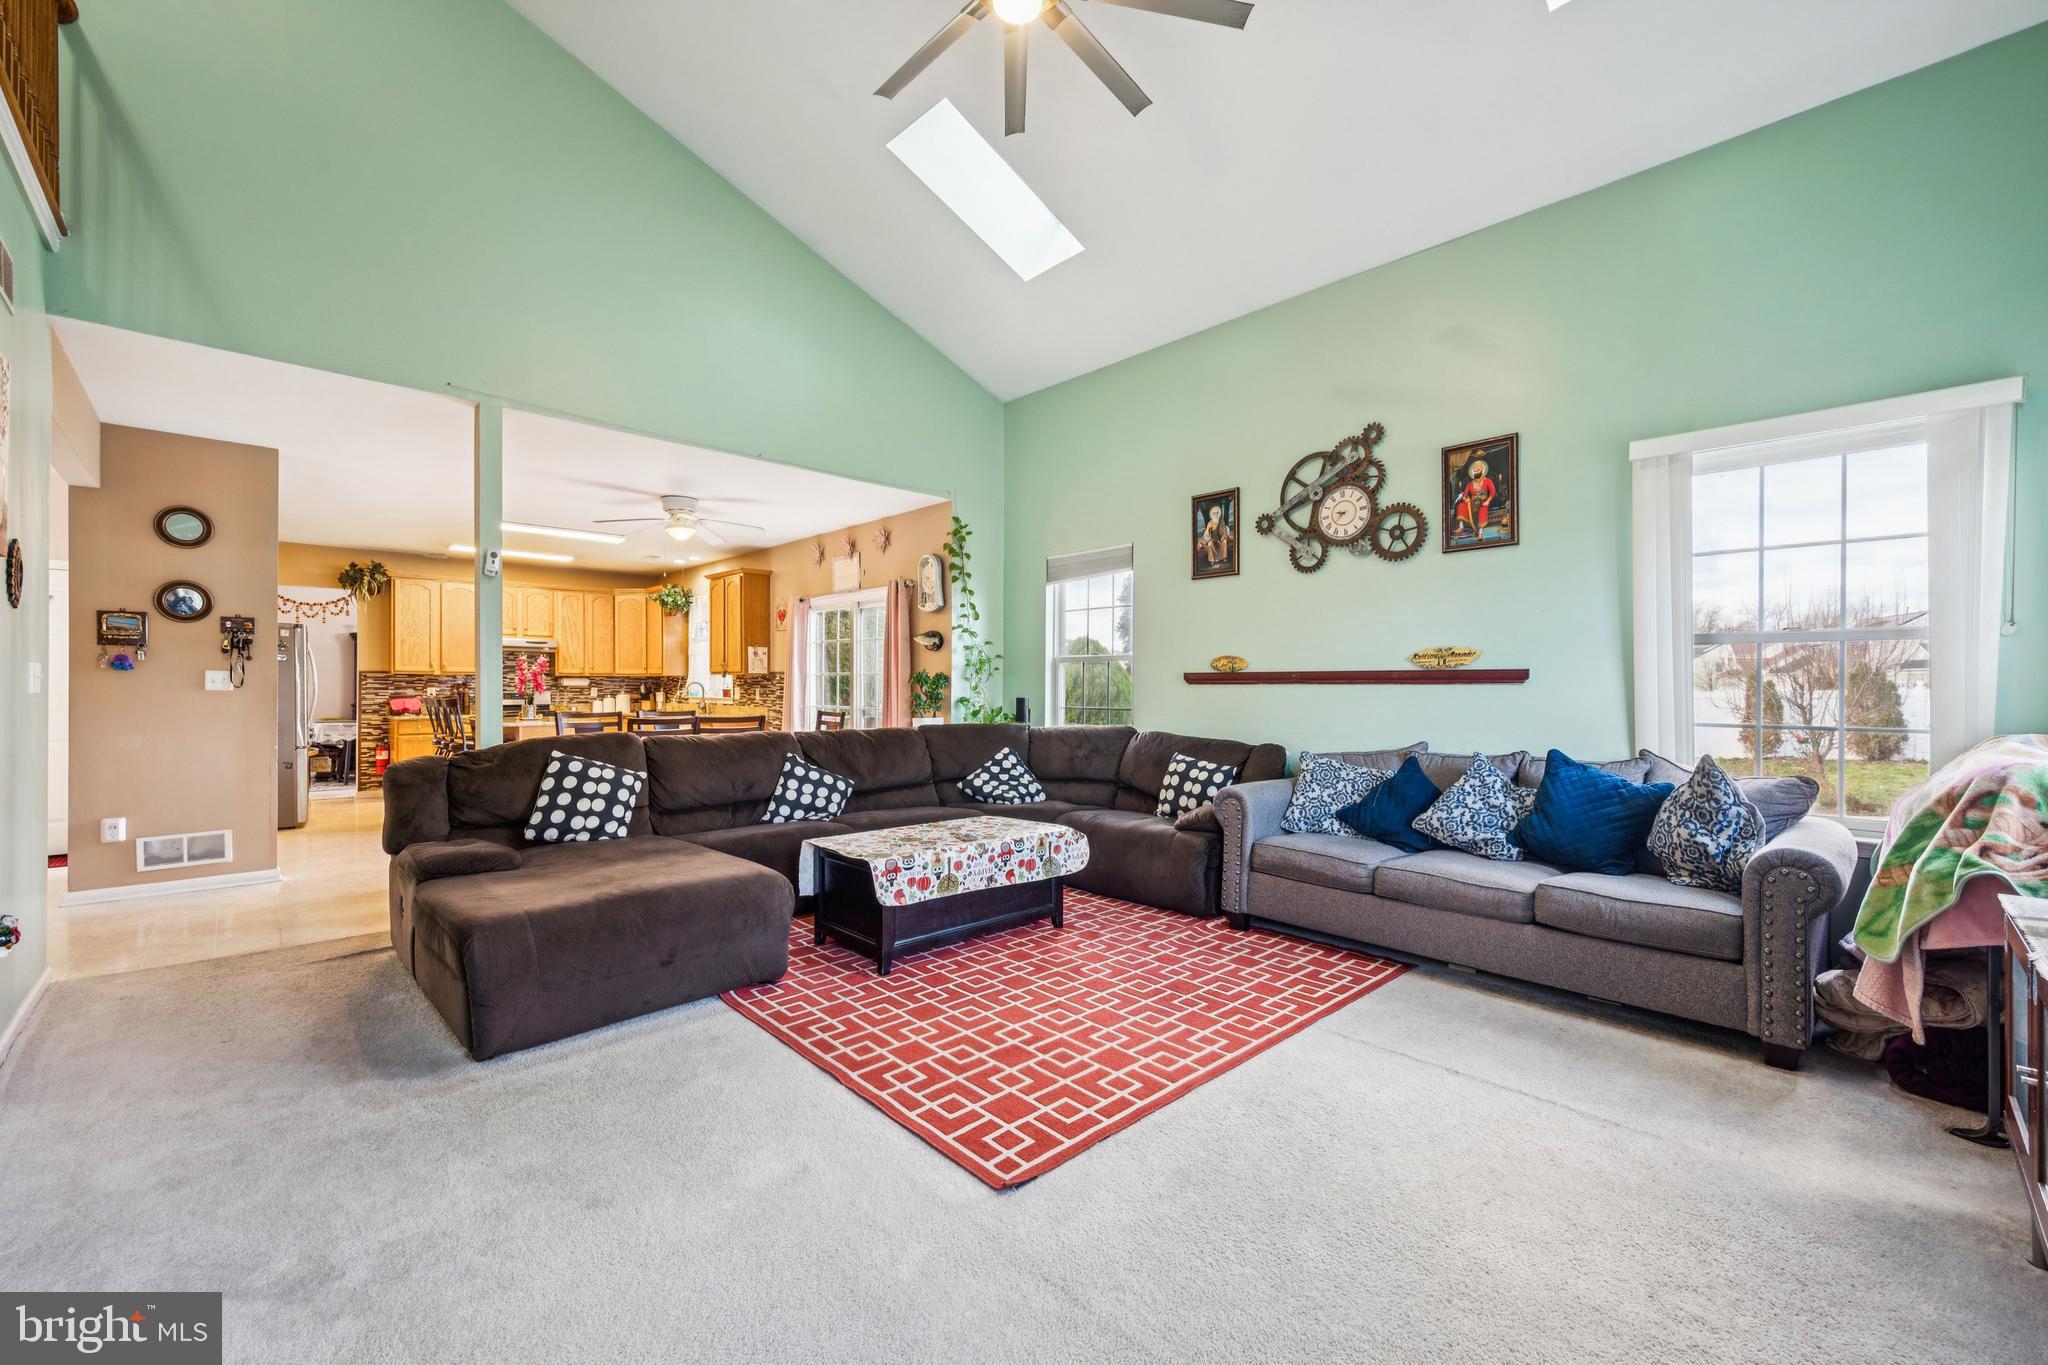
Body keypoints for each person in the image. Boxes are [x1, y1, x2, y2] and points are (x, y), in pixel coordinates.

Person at [1454, 457, 1497, 540]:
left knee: (1482, 510)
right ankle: (1461, 526)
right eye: (1475, 470)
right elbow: (1465, 495)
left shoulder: (1487, 481)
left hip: (1483, 501)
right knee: (1461, 506)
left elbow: (1492, 492)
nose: (1476, 472)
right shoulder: (1470, 484)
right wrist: (1465, 499)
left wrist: (1488, 501)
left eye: (1478, 470)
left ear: (1482, 471)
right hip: (1472, 502)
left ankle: (1480, 532)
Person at [1199, 502, 1234, 570]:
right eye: (1214, 513)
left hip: (1220, 539)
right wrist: (1209, 534)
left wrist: (1222, 538)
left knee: (1224, 542)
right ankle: (1212, 560)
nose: (1215, 514)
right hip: (1213, 540)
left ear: (1219, 514)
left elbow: (1224, 532)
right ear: (1212, 514)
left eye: (1217, 513)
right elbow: (1206, 535)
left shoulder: (1221, 522)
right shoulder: (1210, 523)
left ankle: (1224, 557)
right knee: (1209, 544)